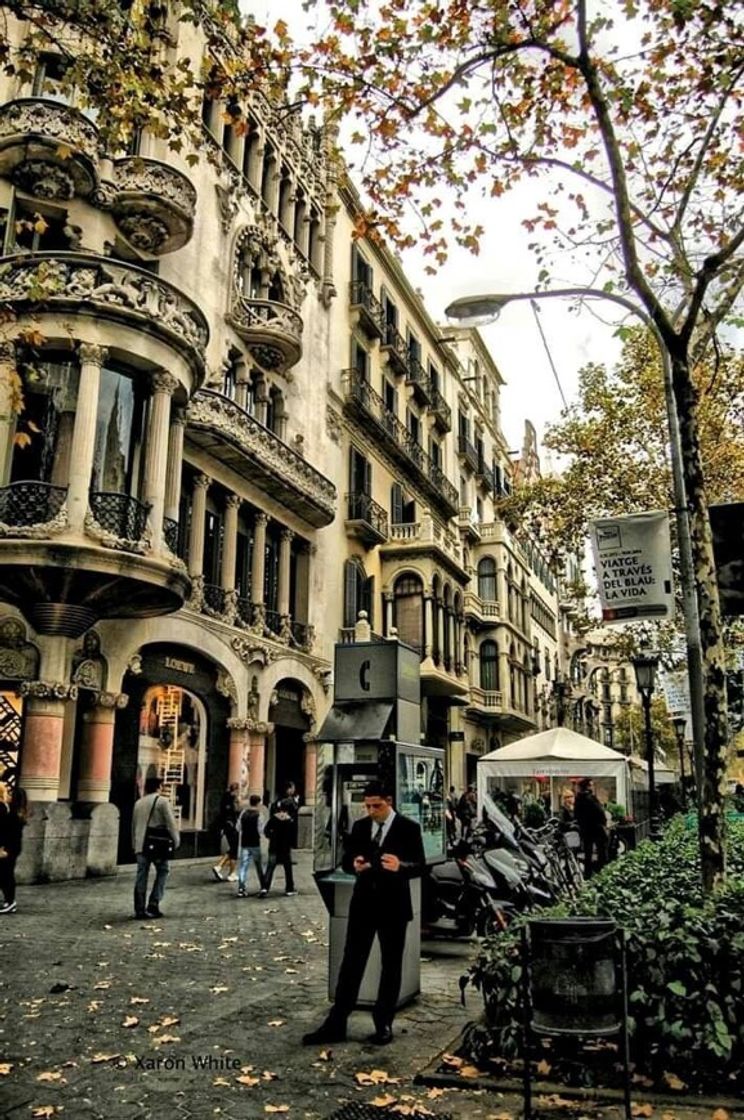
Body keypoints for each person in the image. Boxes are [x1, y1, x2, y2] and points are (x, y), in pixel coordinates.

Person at [302, 779, 425, 1048]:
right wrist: (352, 864)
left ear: (389, 802)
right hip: (364, 905)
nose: (372, 811)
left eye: (377, 806)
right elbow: (347, 858)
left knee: (391, 966)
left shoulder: (408, 828)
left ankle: (383, 1023)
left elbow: (420, 865)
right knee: (351, 964)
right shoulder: (360, 827)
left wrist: (401, 866)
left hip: (393, 907)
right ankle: (336, 1023)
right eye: (367, 806)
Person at [132, 776, 180, 919]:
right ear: (158, 787)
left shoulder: (139, 803)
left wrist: (134, 844)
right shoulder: (162, 801)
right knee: (163, 870)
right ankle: (154, 903)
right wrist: (176, 840)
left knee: (141, 875)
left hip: (141, 844)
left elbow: (133, 825)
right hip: (157, 844)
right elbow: (171, 823)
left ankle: (139, 908)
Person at [573, 777, 608, 878]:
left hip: (585, 829)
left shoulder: (578, 799)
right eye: (591, 784)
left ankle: (587, 873)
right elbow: (600, 812)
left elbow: (577, 814)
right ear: (588, 786)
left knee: (587, 851)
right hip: (596, 827)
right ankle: (602, 870)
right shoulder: (591, 798)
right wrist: (603, 822)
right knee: (602, 849)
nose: (592, 786)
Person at [262, 799, 297, 897]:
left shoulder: (273, 818)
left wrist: (271, 837)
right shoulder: (290, 820)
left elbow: (266, 830)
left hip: (274, 846)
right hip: (285, 848)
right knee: (288, 869)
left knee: (270, 867)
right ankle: (289, 888)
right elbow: (292, 835)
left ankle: (265, 888)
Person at [0, 782, 26, 915]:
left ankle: (10, 902)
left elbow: (7, 834)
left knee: (6, 874)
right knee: (5, 874)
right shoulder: (16, 812)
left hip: (9, 848)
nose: (7, 795)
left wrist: (3, 849)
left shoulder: (13, 815)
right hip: (12, 847)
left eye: (10, 793)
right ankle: (9, 901)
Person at [236, 794, 265, 898]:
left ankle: (241, 888)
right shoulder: (259, 814)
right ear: (258, 803)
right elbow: (260, 830)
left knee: (243, 866)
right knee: (259, 866)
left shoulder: (243, 813)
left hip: (244, 842)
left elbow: (238, 827)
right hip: (255, 842)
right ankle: (263, 886)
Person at [212, 782, 239, 882]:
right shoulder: (230, 800)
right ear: (235, 791)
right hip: (231, 826)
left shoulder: (225, 799)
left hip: (227, 826)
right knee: (234, 849)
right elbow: (232, 812)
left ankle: (220, 867)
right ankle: (230, 872)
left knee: (232, 848)